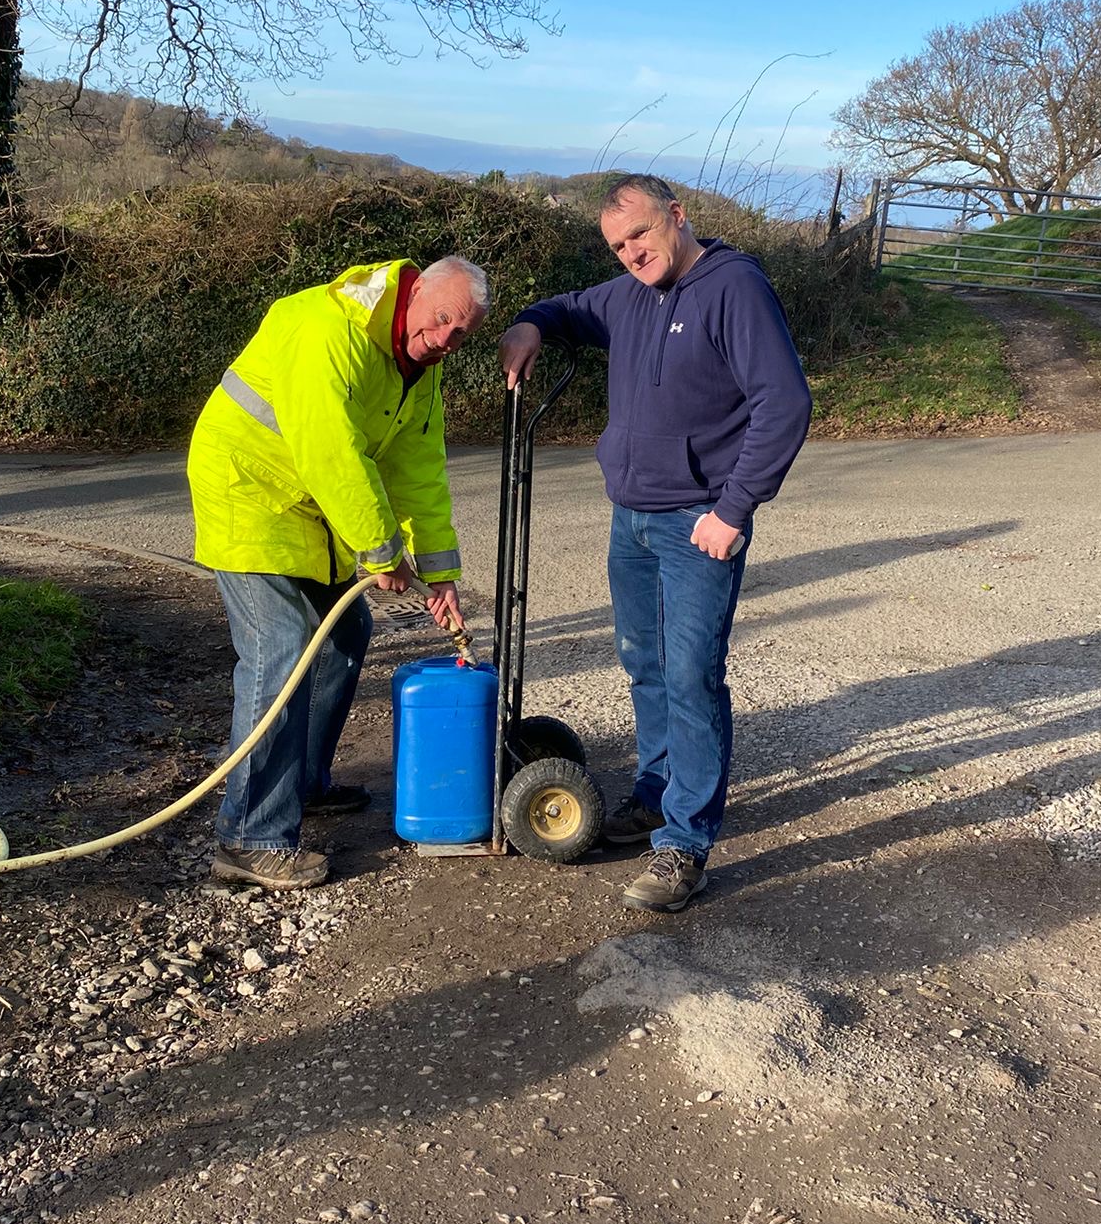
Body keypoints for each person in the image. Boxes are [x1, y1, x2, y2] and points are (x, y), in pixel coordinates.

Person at [500, 175, 810, 913]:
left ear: (677, 216)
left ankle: (684, 844)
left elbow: (784, 401)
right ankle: (655, 792)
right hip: (631, 518)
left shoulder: (733, 287)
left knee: (691, 676)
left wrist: (733, 510)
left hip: (697, 522)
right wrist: (528, 324)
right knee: (644, 664)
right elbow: (567, 308)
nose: (631, 253)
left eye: (639, 235)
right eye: (617, 245)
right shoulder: (629, 294)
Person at [187, 255, 488, 892]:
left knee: (344, 634)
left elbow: (419, 472)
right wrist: (382, 554)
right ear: (415, 294)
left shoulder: (419, 367)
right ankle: (250, 837)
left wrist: (441, 573)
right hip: (248, 489)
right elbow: (332, 453)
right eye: (439, 324)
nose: (443, 343)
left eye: (460, 336)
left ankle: (302, 783)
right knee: (283, 650)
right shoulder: (329, 328)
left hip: (309, 505)